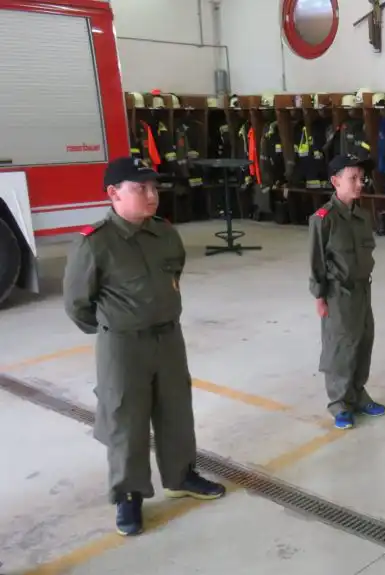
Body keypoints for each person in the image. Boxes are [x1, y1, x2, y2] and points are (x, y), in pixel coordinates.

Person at [62, 157, 226, 537]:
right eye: (141, 188)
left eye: (154, 188)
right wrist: (114, 326)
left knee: (176, 409)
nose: (152, 195)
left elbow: (175, 273)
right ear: (114, 193)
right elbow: (77, 304)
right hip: (123, 345)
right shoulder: (95, 242)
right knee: (126, 418)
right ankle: (129, 494)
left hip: (168, 338)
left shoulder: (165, 234)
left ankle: (180, 475)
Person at [309, 153, 385, 429]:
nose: (360, 183)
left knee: (363, 341)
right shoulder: (323, 219)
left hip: (363, 290)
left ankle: (357, 394)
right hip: (338, 293)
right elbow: (317, 261)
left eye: (361, 178)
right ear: (335, 181)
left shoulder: (362, 216)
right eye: (353, 178)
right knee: (341, 346)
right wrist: (319, 297)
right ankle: (340, 403)